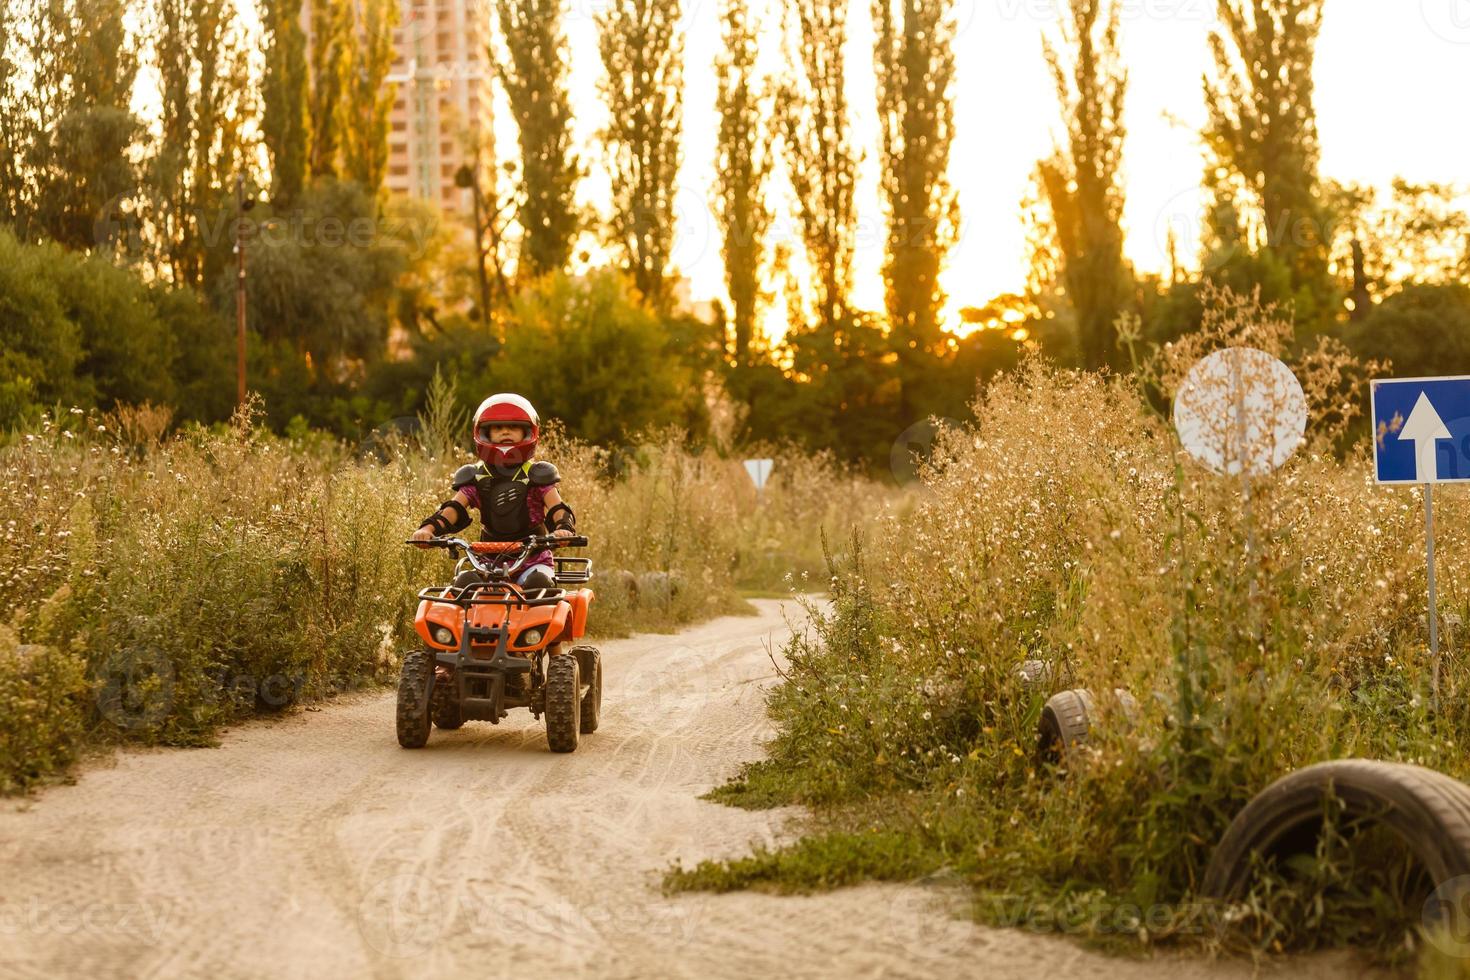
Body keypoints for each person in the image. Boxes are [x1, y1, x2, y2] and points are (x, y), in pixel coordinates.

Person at [410, 393, 576, 593]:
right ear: (484, 433)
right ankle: (459, 626)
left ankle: (537, 625)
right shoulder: (476, 476)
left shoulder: (537, 474)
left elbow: (557, 507)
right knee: (464, 586)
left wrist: (563, 528)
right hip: (487, 561)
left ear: (528, 432)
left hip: (533, 560)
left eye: (513, 427)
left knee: (539, 586)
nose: (505, 431)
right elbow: (452, 508)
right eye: (497, 427)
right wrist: (428, 530)